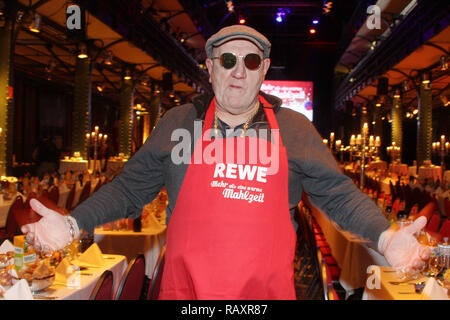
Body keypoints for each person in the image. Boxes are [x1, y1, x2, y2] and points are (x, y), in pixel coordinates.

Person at [21, 25, 430, 300]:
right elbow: (129, 189)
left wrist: (385, 236)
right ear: (211, 67)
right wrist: (74, 223)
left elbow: (338, 194)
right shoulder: (177, 122)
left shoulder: (294, 129)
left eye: (251, 61)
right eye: (227, 60)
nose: (239, 71)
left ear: (264, 70)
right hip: (188, 297)